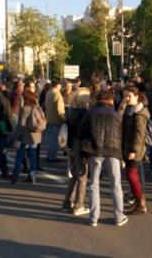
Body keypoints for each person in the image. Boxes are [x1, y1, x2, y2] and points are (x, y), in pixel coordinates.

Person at [80, 90, 128, 227]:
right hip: (113, 152)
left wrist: (84, 154)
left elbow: (83, 133)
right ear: (111, 100)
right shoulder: (116, 115)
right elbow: (121, 136)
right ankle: (119, 216)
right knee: (116, 185)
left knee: (94, 185)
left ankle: (93, 218)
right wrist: (122, 156)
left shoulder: (90, 113)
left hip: (95, 151)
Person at [61, 87, 91, 215]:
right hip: (80, 147)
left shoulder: (70, 112)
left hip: (71, 146)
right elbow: (84, 133)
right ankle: (78, 205)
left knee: (73, 176)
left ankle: (67, 202)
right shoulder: (85, 114)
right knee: (82, 177)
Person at [122, 86, 149, 214]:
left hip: (134, 150)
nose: (126, 98)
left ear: (137, 97)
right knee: (131, 174)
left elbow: (139, 135)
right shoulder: (130, 110)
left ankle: (141, 203)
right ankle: (139, 202)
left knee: (131, 174)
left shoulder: (139, 114)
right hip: (128, 147)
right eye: (125, 96)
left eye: (129, 96)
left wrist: (133, 151)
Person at [11, 90, 43, 184]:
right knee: (33, 156)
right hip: (36, 135)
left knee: (19, 156)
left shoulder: (25, 109)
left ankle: (15, 176)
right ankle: (32, 176)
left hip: (25, 136)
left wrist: (16, 137)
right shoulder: (38, 108)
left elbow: (21, 124)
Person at [44, 79, 66, 161]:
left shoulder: (48, 93)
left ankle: (49, 155)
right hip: (56, 120)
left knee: (51, 139)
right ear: (58, 85)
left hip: (49, 118)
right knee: (55, 140)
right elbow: (59, 109)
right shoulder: (57, 94)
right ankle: (52, 156)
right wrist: (64, 119)